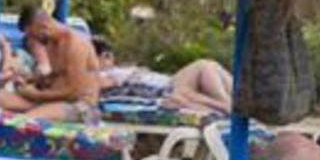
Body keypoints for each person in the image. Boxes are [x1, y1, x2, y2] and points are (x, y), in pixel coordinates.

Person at [94, 38, 234, 113]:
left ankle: (238, 101)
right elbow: (98, 84)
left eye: (110, 56)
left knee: (213, 66)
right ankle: (228, 104)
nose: (110, 60)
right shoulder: (101, 75)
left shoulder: (115, 70)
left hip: (170, 84)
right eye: (106, 56)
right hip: (169, 88)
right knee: (203, 65)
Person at [16, 6, 102, 123]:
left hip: (80, 105)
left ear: (43, 26)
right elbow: (58, 74)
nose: (33, 39)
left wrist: (36, 95)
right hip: (54, 100)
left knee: (26, 121)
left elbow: (73, 91)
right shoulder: (51, 44)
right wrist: (32, 80)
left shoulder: (75, 45)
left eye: (32, 35)